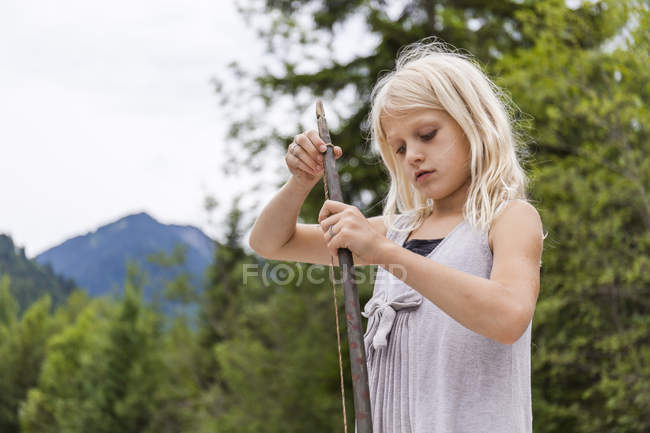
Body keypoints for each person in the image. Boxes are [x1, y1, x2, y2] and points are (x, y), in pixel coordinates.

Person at [248, 38, 545, 433]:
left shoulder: (508, 219)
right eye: (400, 148)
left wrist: (386, 254)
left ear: (474, 125)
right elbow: (271, 242)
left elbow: (508, 316)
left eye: (427, 135)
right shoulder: (398, 231)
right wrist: (300, 182)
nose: (413, 156)